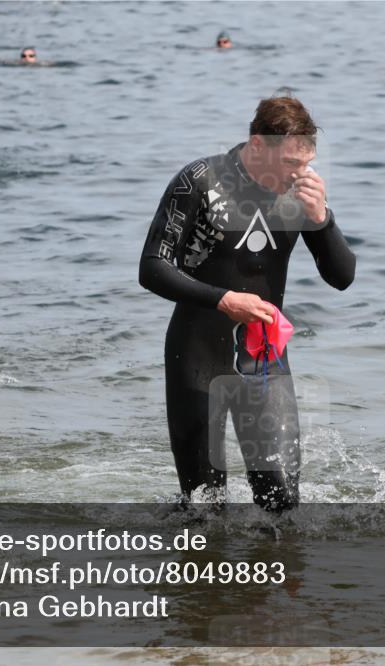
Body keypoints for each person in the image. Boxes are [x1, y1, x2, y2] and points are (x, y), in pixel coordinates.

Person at [138, 96, 356, 511]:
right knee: (205, 506)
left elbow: (341, 277)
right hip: (197, 356)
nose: (300, 173)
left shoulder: (300, 193)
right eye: (291, 162)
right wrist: (223, 300)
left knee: (283, 503)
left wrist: (322, 218)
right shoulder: (200, 181)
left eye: (306, 162)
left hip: (265, 359)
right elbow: (152, 268)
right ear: (258, 145)